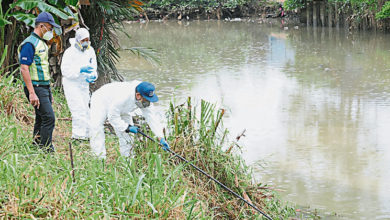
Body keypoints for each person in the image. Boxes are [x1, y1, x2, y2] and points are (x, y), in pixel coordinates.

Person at [89, 81, 170, 159]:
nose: (148, 103)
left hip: (124, 108)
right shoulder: (123, 97)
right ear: (138, 96)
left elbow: (152, 118)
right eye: (146, 100)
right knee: (96, 126)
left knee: (128, 136)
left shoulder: (144, 94)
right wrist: (126, 127)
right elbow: (112, 117)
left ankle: (127, 159)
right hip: (102, 100)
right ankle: (99, 158)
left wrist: (160, 137)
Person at [18, 12, 61, 152]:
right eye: (49, 27)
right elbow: (24, 68)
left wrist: (48, 91)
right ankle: (47, 149)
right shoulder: (30, 43)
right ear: (41, 26)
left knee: (41, 117)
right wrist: (31, 92)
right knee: (49, 118)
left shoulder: (41, 42)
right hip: (35, 86)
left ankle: (36, 145)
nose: (50, 31)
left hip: (43, 86)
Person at [61, 28, 97, 140]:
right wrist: (79, 70)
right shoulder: (70, 52)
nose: (86, 42)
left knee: (86, 109)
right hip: (71, 84)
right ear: (78, 40)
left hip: (83, 84)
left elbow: (93, 67)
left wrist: (93, 76)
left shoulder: (90, 51)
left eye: (88, 39)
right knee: (78, 109)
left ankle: (86, 134)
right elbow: (65, 71)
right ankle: (78, 136)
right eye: (83, 40)